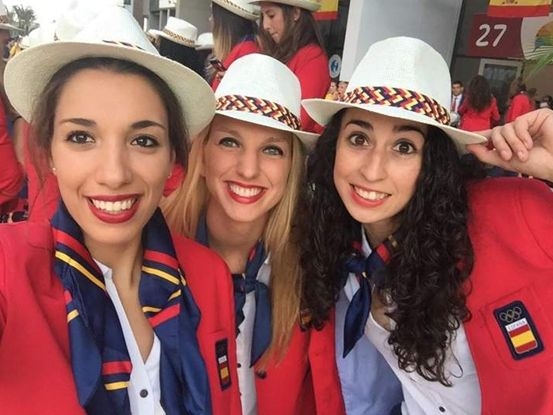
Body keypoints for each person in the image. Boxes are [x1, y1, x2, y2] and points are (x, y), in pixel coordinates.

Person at [0, 7, 241, 414]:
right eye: (81, 137)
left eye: (143, 141)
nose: (114, 174)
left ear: (172, 160)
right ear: (50, 153)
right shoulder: (9, 267)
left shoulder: (208, 275)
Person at [299, 37, 553, 415]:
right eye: (359, 139)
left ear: (431, 163)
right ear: (335, 148)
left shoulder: (510, 213)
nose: (372, 170)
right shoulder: (332, 242)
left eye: (404, 147)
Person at [163, 53, 345, 415]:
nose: (248, 169)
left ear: (291, 168)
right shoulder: (154, 250)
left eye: (272, 149)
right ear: (203, 154)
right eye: (230, 142)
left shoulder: (312, 264)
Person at [252, 0, 330, 133]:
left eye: (271, 15)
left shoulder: (313, 57)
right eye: (263, 16)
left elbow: (300, 120)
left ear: (295, 13)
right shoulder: (281, 54)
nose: (265, 25)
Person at [210, 0, 260, 90]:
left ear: (225, 21)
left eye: (213, 14)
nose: (210, 19)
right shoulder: (243, 49)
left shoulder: (247, 51)